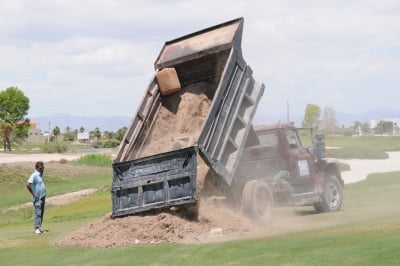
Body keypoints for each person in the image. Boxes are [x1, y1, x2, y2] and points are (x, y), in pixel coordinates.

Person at [26, 161, 46, 234]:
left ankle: (38, 227)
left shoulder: (41, 175)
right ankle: (36, 228)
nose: (42, 169)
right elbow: (28, 184)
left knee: (41, 213)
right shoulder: (34, 175)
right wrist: (34, 194)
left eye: (43, 168)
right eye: (41, 168)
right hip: (37, 197)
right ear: (37, 168)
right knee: (38, 212)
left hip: (42, 196)